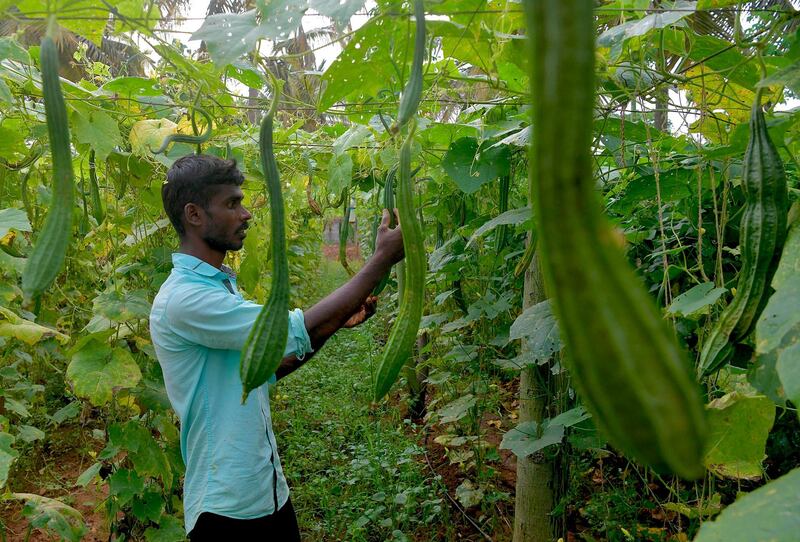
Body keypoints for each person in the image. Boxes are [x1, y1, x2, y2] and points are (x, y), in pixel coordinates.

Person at [149, 155, 404, 540]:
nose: (246, 213)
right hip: (224, 511)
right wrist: (382, 258)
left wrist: (333, 325)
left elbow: (267, 367)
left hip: (267, 490)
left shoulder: (217, 286)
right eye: (233, 203)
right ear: (194, 214)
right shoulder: (184, 300)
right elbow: (287, 329)